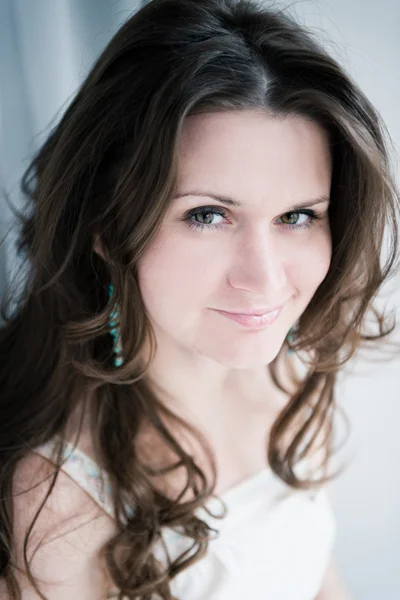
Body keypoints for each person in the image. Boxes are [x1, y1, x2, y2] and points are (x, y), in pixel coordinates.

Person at [0, 0, 398, 598]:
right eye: (208, 215)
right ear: (106, 227)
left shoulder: (294, 374)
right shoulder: (56, 500)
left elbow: (317, 579)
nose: (264, 280)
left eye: (297, 215)